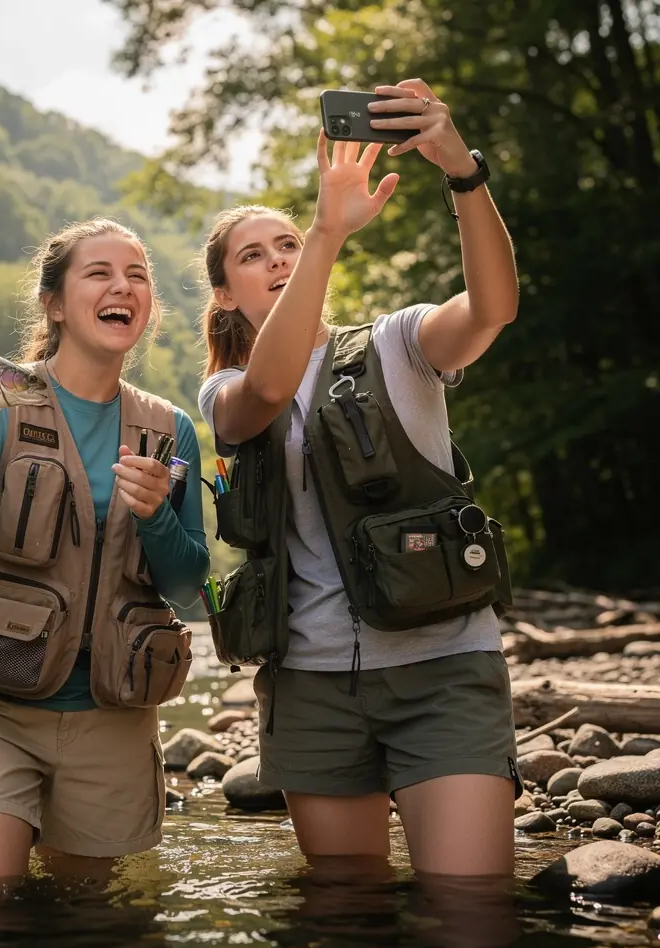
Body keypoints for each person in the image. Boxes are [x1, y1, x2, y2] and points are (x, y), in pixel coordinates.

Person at [197, 80, 522, 879]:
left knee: (470, 910)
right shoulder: (224, 392)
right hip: (311, 687)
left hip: (442, 668)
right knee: (346, 920)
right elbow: (268, 394)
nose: (277, 260)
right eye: (255, 255)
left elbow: (494, 307)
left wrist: (461, 173)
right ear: (226, 294)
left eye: (286, 246)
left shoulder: (401, 342)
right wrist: (322, 235)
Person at [0, 217, 209, 891]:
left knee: (86, 933)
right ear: (54, 304)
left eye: (138, 275)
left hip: (110, 716)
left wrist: (154, 517)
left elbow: (185, 584)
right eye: (100, 273)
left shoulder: (171, 428)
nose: (123, 286)